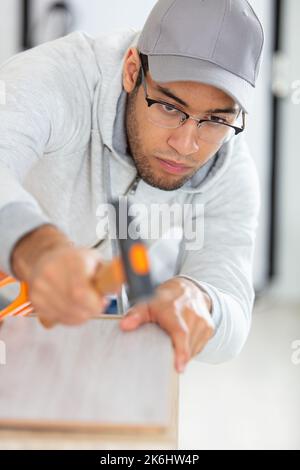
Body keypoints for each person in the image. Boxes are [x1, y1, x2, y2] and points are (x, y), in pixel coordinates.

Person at [0, 0, 264, 373]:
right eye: (169, 107)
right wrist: (39, 250)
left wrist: (200, 300)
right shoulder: (57, 78)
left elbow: (233, 306)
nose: (186, 145)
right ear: (131, 70)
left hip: (95, 305)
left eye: (215, 120)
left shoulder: (229, 167)